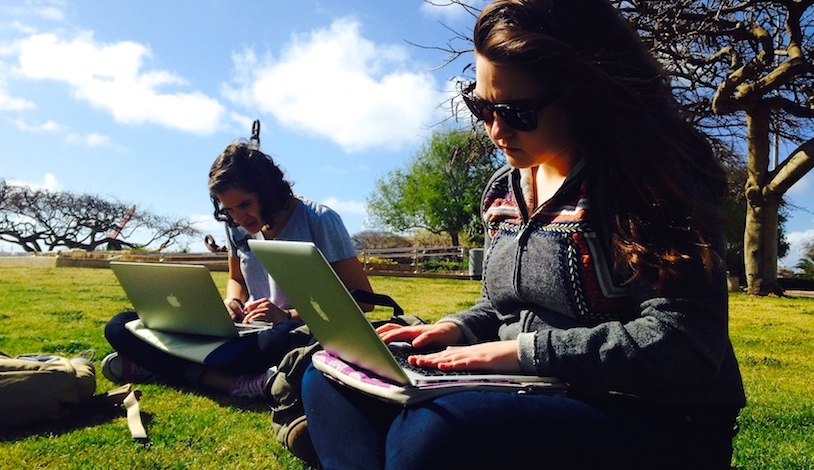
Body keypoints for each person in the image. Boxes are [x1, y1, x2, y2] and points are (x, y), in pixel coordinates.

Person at [300, 1, 746, 468]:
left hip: (660, 415)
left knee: (437, 431)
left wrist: (524, 353)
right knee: (329, 383)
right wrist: (456, 329)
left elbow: (686, 342)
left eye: (516, 111)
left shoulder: (654, 178)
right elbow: (501, 306)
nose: (495, 131)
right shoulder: (502, 190)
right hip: (530, 387)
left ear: (585, 91)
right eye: (482, 107)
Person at [102, 140, 372, 399]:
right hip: (244, 329)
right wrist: (231, 301)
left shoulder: (320, 220)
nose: (239, 218)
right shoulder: (235, 225)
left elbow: (362, 299)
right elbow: (236, 279)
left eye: (245, 205)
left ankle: (161, 365)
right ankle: (230, 380)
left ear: (268, 192)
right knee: (119, 326)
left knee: (278, 343)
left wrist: (288, 314)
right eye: (229, 209)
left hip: (289, 332)